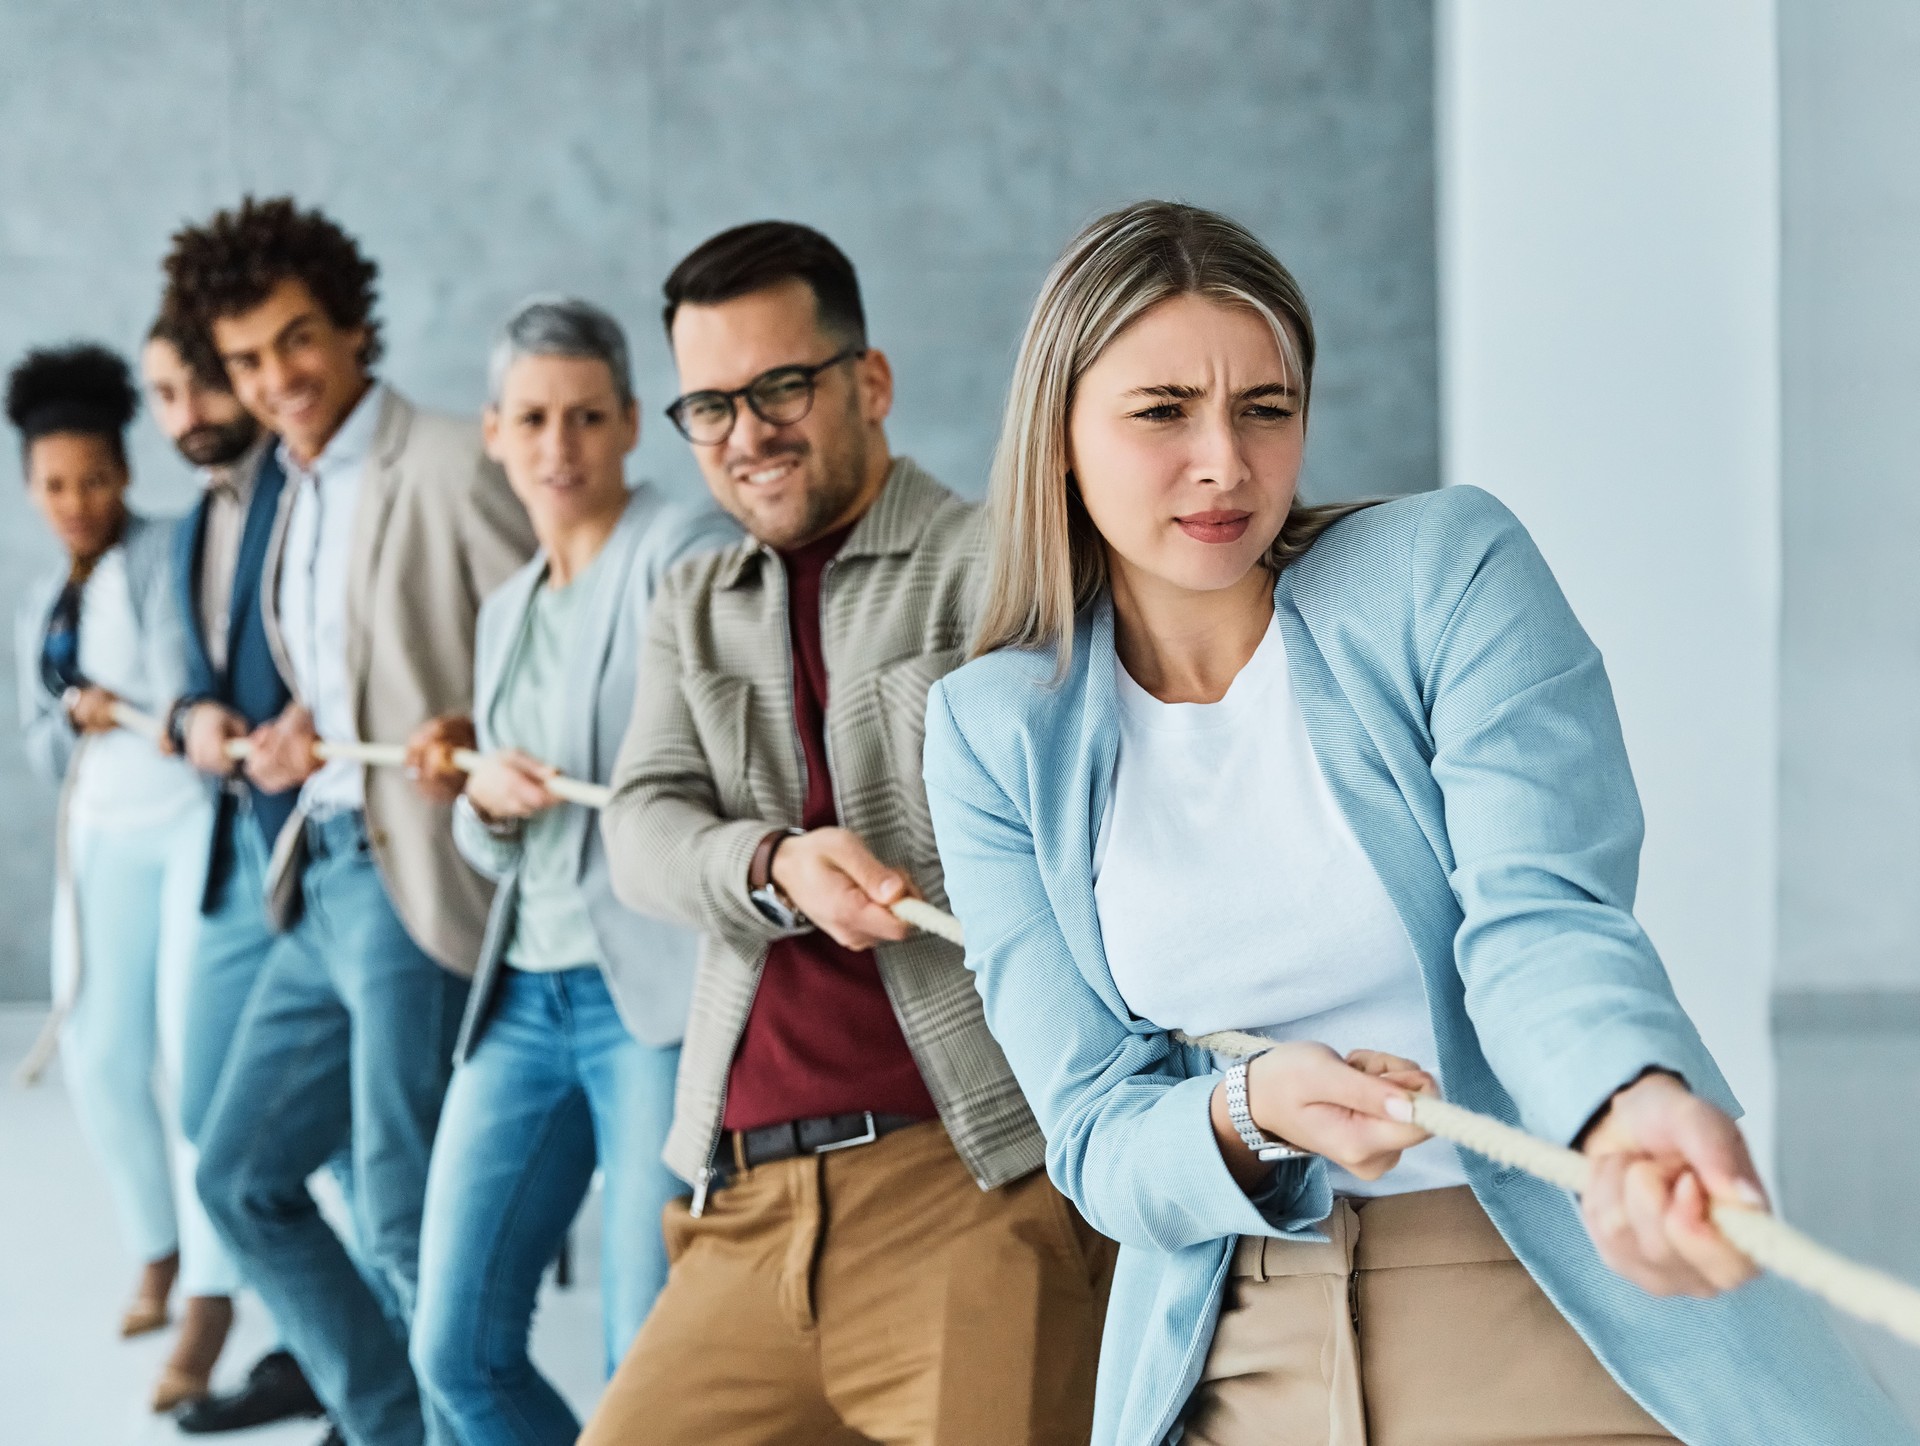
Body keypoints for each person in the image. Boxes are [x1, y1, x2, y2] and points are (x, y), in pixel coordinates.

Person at [920, 200, 1917, 1446]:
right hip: (1237, 1323)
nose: (1224, 460)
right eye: (1163, 411)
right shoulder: (990, 728)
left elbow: (1540, 917)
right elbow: (1093, 1132)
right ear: (1059, 436)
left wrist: (1628, 1095)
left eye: (1265, 407)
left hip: (1542, 1280)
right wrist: (1250, 1107)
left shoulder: (1447, 572)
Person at [584, 221, 1113, 1446]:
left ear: (868, 384)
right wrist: (770, 864)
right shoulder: (690, 601)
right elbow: (643, 829)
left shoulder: (1001, 560)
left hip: (970, 1184)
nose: (747, 433)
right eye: (709, 406)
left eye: (780, 386)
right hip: (743, 1204)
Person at [162, 196, 537, 1446]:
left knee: (399, 1211)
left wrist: (464, 732)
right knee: (238, 1174)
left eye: (297, 342)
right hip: (312, 867)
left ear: (355, 327)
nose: (278, 380)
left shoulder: (441, 458)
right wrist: (293, 733)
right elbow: (338, 660)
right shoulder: (289, 484)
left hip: (407, 872)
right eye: (249, 360)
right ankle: (389, 1425)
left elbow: (532, 646)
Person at [403, 296, 739, 1444]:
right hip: (521, 1000)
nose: (560, 446)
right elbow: (489, 837)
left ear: (634, 423)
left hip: (643, 998)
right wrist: (482, 802)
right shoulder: (505, 614)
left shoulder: (679, 547)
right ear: (493, 431)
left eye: (587, 416)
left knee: (640, 1366)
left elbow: (703, 719)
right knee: (452, 1350)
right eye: (534, 418)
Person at [6, 343, 241, 1413]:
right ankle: (155, 1243)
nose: (76, 503)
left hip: (188, 829)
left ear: (125, 469)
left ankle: (210, 1288)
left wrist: (147, 705)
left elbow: (198, 673)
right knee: (100, 1056)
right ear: (28, 486)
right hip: (99, 840)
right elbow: (41, 745)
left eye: (94, 478)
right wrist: (69, 710)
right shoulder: (38, 608)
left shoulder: (171, 549)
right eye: (54, 485)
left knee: (194, 1062)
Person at [139, 315, 330, 1435]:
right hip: (227, 855)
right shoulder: (184, 534)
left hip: (316, 844)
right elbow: (175, 684)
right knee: (222, 1119)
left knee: (339, 1128)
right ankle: (311, 1340)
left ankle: (353, 1366)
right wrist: (186, 715)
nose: (189, 415)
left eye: (203, 385)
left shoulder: (304, 491)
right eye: (164, 394)